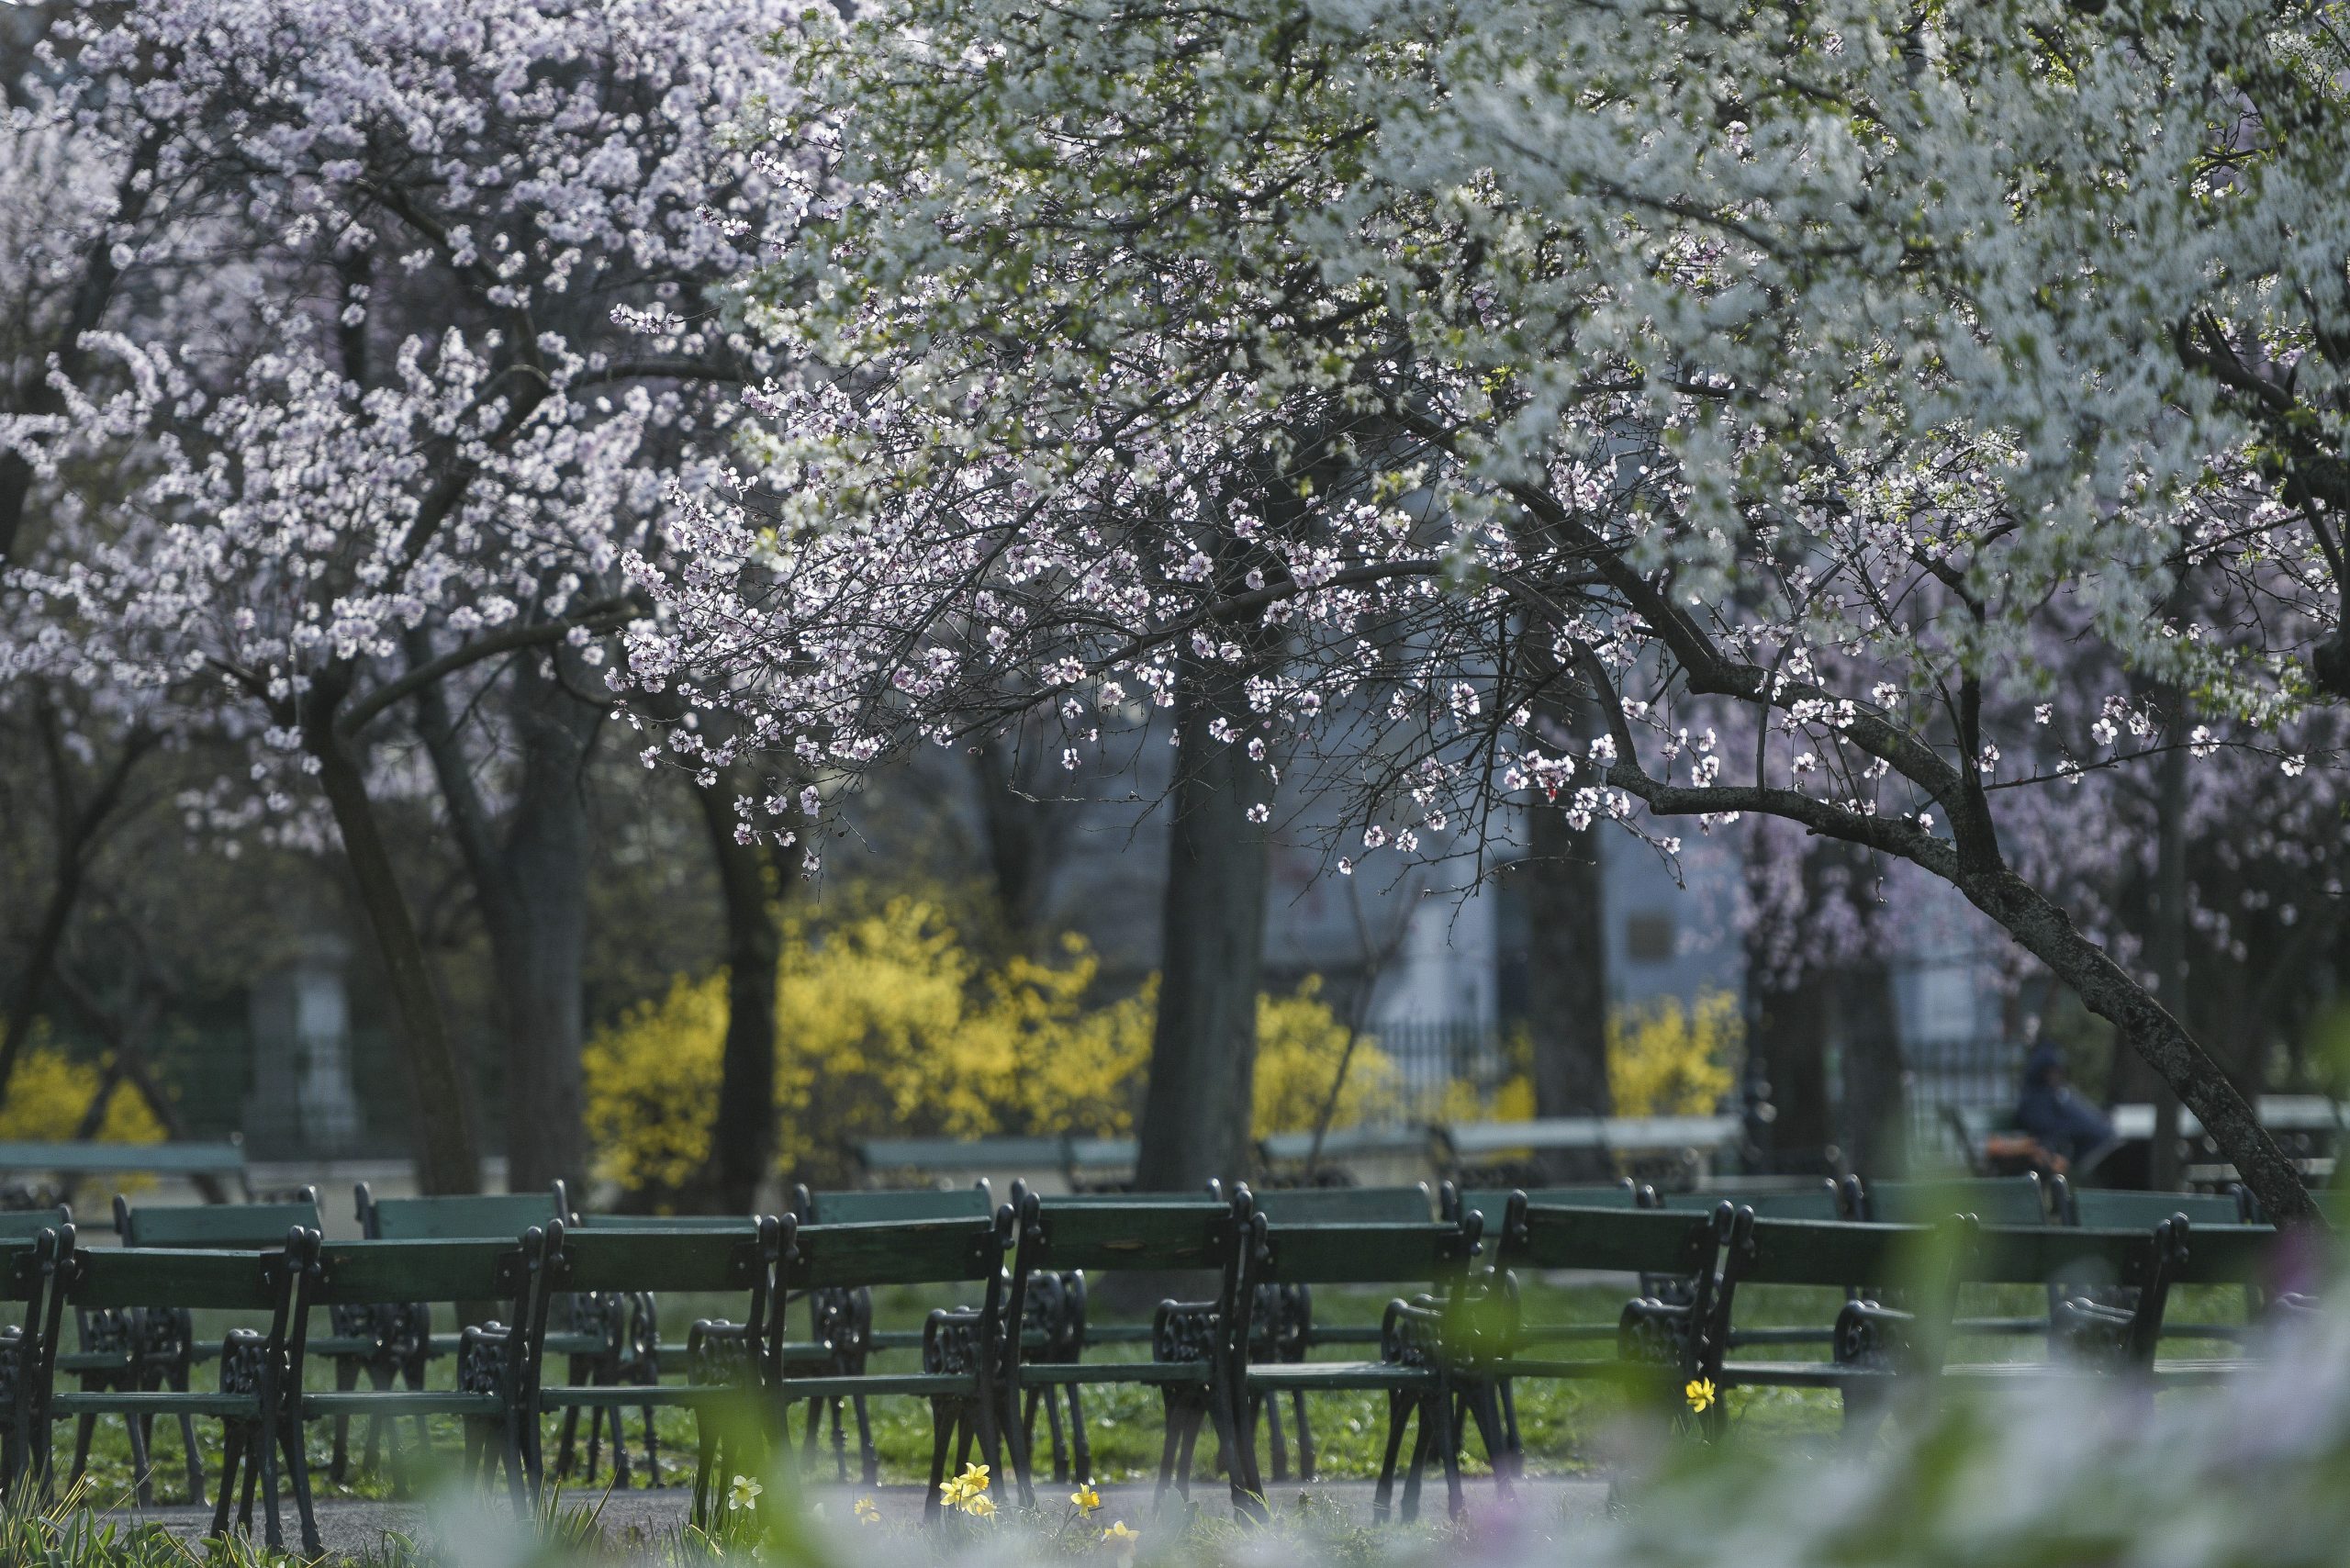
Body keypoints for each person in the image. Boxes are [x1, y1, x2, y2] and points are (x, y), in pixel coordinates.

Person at [2013, 1042, 2117, 1172]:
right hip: (2090, 1156)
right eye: (2051, 1071)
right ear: (2042, 1072)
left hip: (2103, 1143)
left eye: (2058, 1071)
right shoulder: (2036, 1101)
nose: (2056, 1076)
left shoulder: (2060, 1093)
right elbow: (2046, 1131)